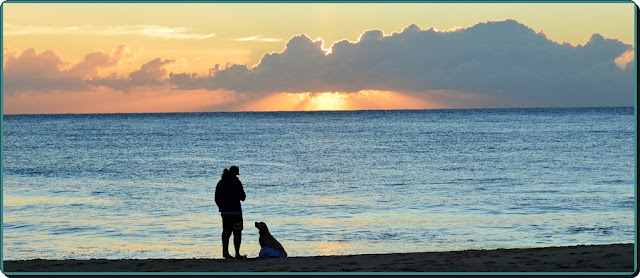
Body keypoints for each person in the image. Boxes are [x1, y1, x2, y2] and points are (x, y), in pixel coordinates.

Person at [215, 166, 247, 259]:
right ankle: (237, 253)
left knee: (226, 232)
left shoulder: (221, 183)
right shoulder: (237, 182)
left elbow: (216, 198)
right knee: (237, 232)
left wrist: (221, 207)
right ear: (235, 174)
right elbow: (243, 197)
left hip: (225, 212)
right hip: (236, 211)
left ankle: (225, 252)